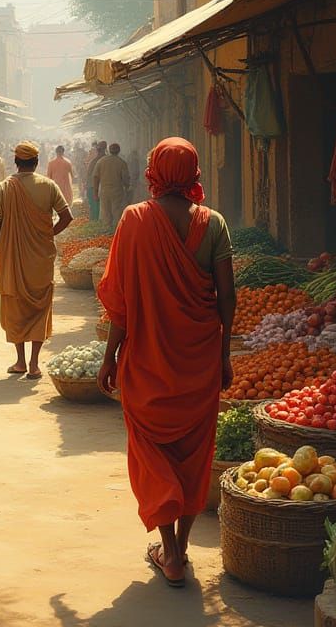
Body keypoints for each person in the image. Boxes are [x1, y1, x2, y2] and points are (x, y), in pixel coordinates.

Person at [96, 137, 235, 588]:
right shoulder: (214, 225)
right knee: (194, 455)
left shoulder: (135, 220)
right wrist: (225, 354)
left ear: (154, 171)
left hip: (148, 361)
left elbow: (120, 301)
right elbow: (227, 298)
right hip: (199, 361)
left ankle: (170, 551)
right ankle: (182, 549)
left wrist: (109, 355)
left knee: (150, 447)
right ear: (194, 172)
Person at [0, 141, 72, 377]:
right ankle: (35, 364)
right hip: (41, 257)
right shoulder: (49, 186)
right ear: (36, 163)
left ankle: (20, 362)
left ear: (16, 162)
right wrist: (48, 234)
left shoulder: (4, 188)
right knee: (40, 305)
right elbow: (67, 217)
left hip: (13, 259)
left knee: (16, 306)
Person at [92, 143, 132, 228]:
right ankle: (116, 230)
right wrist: (127, 187)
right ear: (119, 151)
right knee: (117, 211)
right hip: (117, 191)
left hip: (104, 191)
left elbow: (95, 177)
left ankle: (107, 230)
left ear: (109, 150)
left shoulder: (101, 161)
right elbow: (126, 179)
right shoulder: (121, 162)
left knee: (106, 212)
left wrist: (95, 193)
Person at [86, 141, 107, 221]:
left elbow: (88, 175)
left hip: (94, 186)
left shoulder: (94, 161)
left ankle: (95, 221)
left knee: (94, 206)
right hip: (103, 187)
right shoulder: (106, 159)